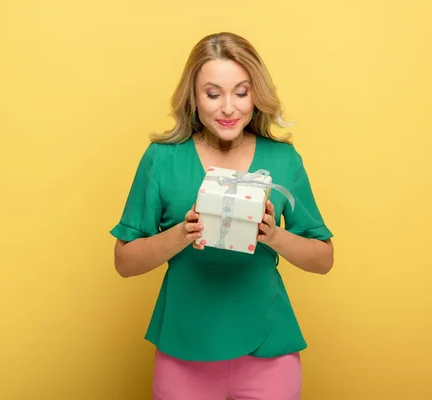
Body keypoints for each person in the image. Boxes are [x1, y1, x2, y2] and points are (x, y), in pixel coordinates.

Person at [110, 32, 334, 400]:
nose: (228, 108)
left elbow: (323, 259)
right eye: (213, 94)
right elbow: (124, 262)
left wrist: (273, 234)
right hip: (184, 348)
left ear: (256, 95)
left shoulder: (283, 160)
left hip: (269, 350)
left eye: (241, 93)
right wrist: (181, 233)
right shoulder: (162, 159)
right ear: (194, 99)